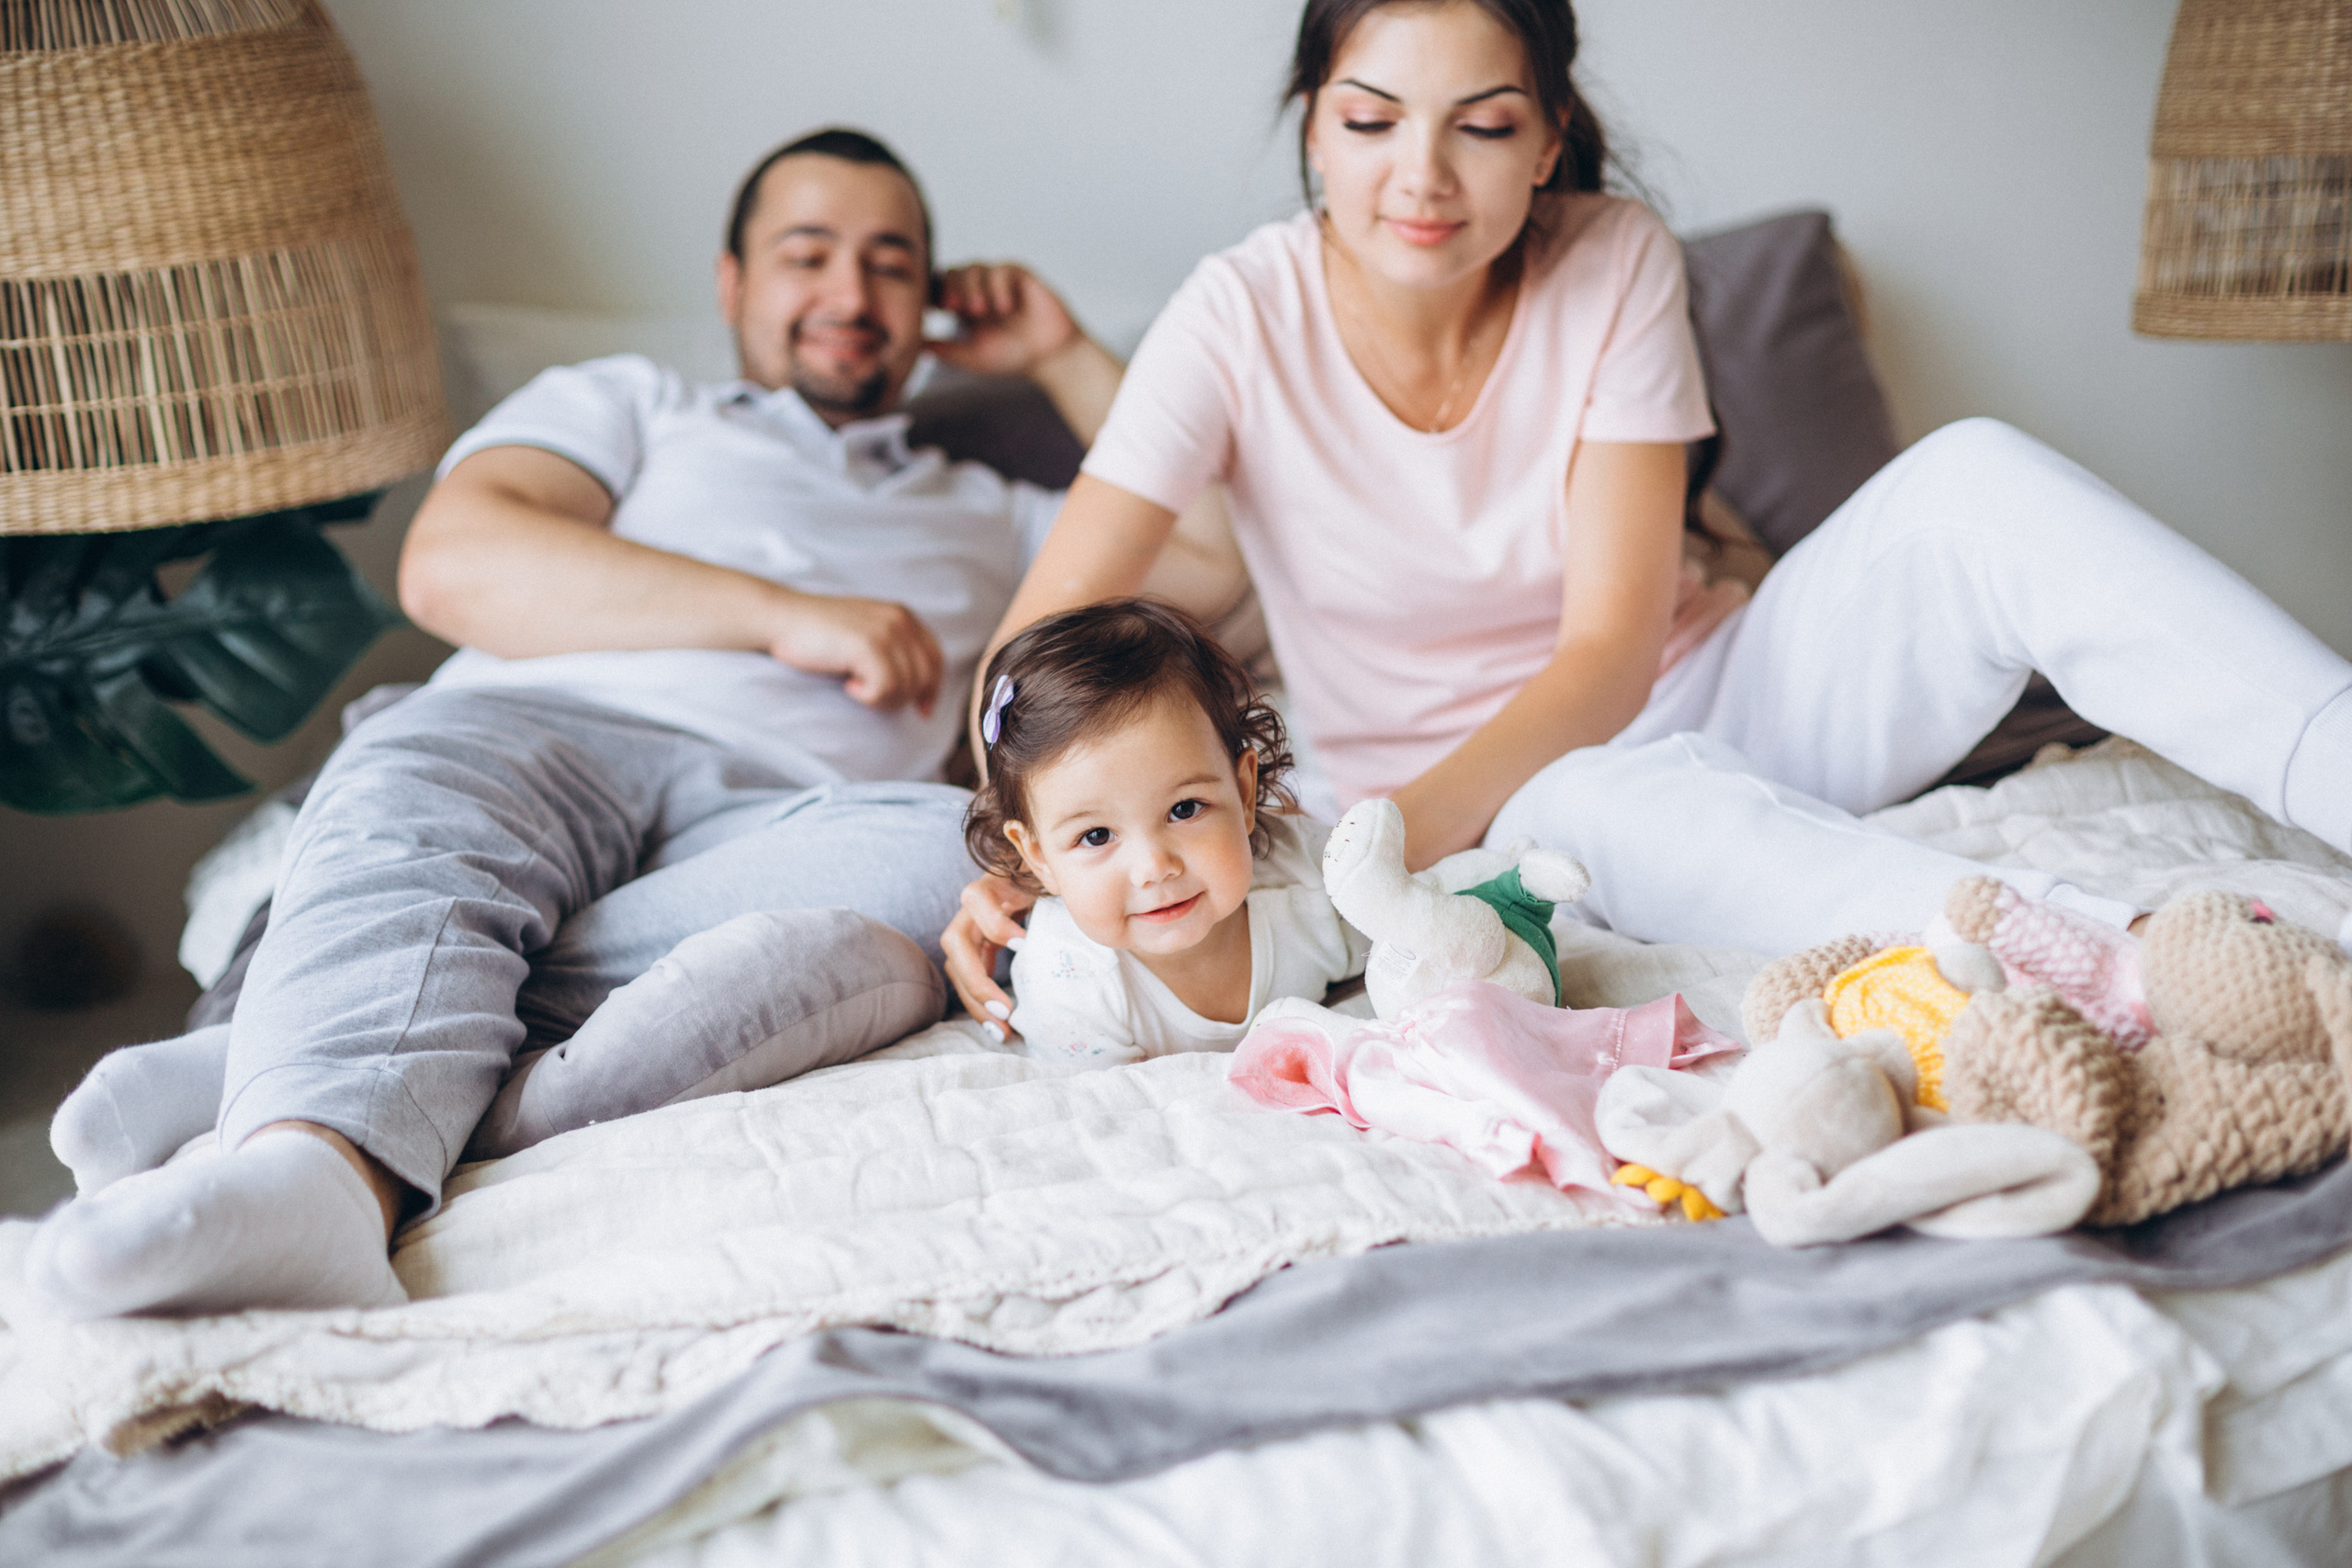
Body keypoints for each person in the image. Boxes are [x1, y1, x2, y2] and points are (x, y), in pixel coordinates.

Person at [939, 0, 2352, 1033]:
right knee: (1608, 796)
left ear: (1550, 139)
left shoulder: (1613, 257)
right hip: (1468, 816)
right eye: (1371, 122)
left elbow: (1611, 655)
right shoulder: (1236, 314)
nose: (1420, 179)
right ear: (1313, 124)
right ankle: (2126, 951)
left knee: (1973, 477)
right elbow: (1031, 661)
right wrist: (1002, 851)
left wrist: (1368, 835)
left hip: (1692, 694)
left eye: (1481, 127)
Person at [28, 128, 1233, 1320]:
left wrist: (1065, 353)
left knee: (950, 854)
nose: (851, 292)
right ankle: (320, 1175)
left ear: (928, 297)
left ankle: (277, 1044)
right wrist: (787, 616)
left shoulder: (995, 511)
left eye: (890, 264)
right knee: (410, 768)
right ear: (733, 282)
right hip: (537, 730)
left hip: (793, 808)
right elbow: (452, 562)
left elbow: (1216, 558)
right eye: (808, 254)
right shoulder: (636, 402)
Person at [965, 598, 1367, 1064]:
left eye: (1185, 808)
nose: (1154, 868)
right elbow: (1106, 1119)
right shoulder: (1070, 982)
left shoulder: (1320, 881)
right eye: (1096, 836)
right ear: (1038, 857)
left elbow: (1408, 961)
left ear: (1243, 791)